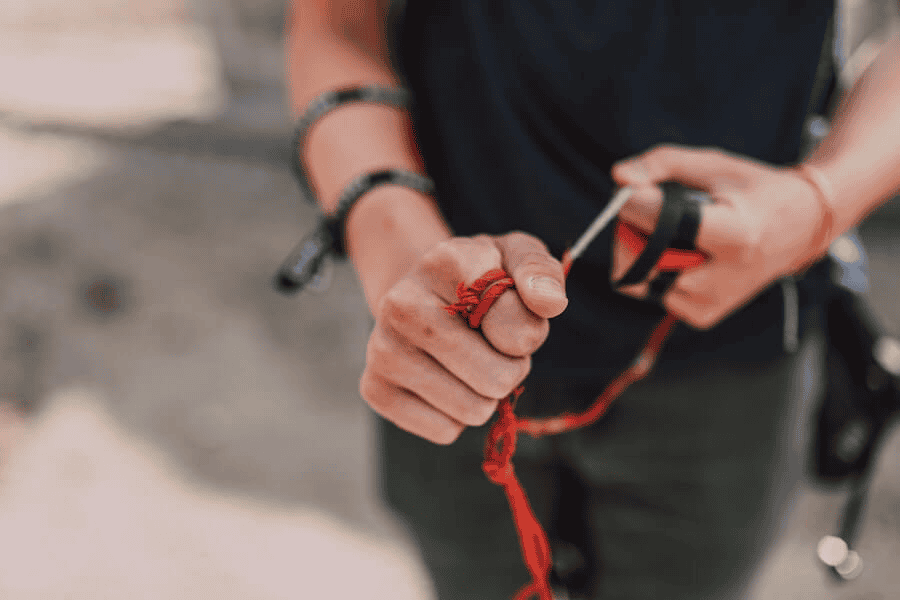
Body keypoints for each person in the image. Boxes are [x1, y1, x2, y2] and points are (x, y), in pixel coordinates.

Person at [284, 1, 900, 598]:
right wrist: (394, 240)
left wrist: (818, 202)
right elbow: (335, 20)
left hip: (733, 363)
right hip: (442, 340)